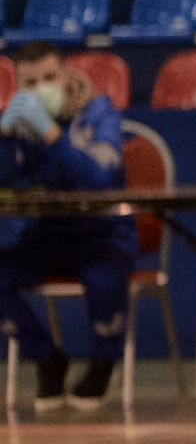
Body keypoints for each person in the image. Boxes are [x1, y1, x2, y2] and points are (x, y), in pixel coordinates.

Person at [0, 43, 135, 414]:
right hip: (45, 234)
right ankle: (46, 358)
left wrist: (53, 137)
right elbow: (6, 181)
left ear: (64, 75)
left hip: (101, 233)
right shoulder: (19, 121)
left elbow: (99, 177)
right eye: (29, 82)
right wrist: (6, 138)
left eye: (48, 78)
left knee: (105, 280)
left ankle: (102, 363)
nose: (40, 88)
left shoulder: (101, 114)